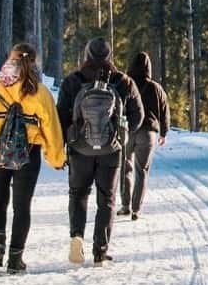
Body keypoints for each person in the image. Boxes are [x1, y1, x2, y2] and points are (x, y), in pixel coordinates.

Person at [0, 43, 66, 274]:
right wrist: (56, 158)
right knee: (22, 207)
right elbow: (52, 128)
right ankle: (16, 258)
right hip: (28, 154)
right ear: (34, 62)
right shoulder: (39, 91)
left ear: (11, 59)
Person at [57, 37, 143, 266]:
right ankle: (100, 250)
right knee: (107, 199)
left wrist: (69, 137)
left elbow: (60, 115)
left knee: (78, 194)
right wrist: (121, 133)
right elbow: (138, 116)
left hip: (79, 149)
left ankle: (76, 236)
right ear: (109, 56)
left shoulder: (73, 81)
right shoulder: (123, 82)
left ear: (86, 55)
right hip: (111, 150)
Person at [118, 52, 169, 220]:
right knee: (142, 171)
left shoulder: (125, 84)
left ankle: (125, 205)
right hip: (148, 133)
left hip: (128, 130)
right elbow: (164, 111)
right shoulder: (156, 88)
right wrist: (164, 132)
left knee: (125, 167)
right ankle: (135, 209)